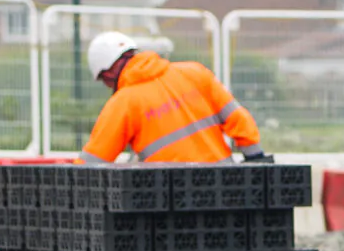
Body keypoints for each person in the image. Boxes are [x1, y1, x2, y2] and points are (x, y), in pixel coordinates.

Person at [80, 32, 271, 165]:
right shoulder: (195, 72)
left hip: (169, 202)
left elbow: (93, 161)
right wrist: (255, 159)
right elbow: (238, 119)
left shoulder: (122, 103)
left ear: (109, 72)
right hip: (222, 184)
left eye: (104, 80)